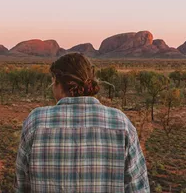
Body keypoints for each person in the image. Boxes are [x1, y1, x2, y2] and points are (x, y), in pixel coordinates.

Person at [15, 53, 150, 192]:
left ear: (57, 82)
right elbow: (138, 188)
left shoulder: (36, 122)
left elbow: (22, 184)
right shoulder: (121, 123)